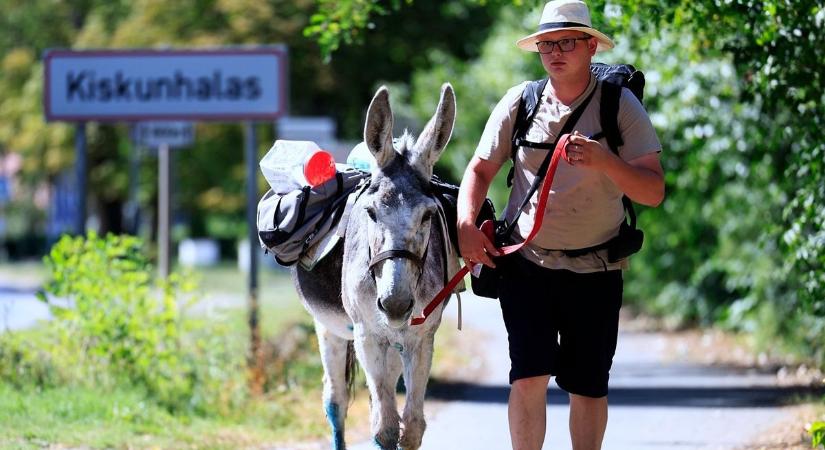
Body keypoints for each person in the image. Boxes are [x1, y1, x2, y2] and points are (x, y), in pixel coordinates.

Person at [456, 1, 665, 449]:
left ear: (591, 46)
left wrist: (605, 160)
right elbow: (477, 171)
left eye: (567, 41)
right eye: (547, 44)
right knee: (527, 376)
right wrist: (465, 224)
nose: (555, 52)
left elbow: (653, 191)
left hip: (597, 268)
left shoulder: (620, 106)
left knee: (587, 385)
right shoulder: (521, 101)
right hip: (526, 266)